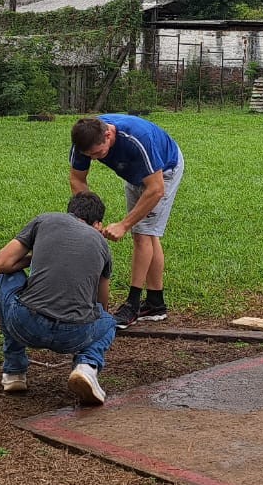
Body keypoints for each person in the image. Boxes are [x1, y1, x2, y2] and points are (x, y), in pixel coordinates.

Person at [0, 191, 117, 406]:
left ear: (70, 211)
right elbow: (102, 303)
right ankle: (87, 367)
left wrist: (34, 257)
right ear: (98, 224)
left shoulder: (45, 220)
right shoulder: (102, 244)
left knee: (6, 279)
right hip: (74, 335)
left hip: (26, 323)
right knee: (108, 322)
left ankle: (14, 372)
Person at [69, 113, 185, 328]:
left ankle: (132, 305)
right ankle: (155, 303)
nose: (94, 159)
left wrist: (123, 224)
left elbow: (156, 189)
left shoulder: (136, 139)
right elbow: (77, 179)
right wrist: (89, 220)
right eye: (89, 155)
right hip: (134, 174)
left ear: (108, 134)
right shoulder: (85, 139)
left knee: (141, 233)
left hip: (163, 172)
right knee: (148, 235)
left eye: (97, 153)